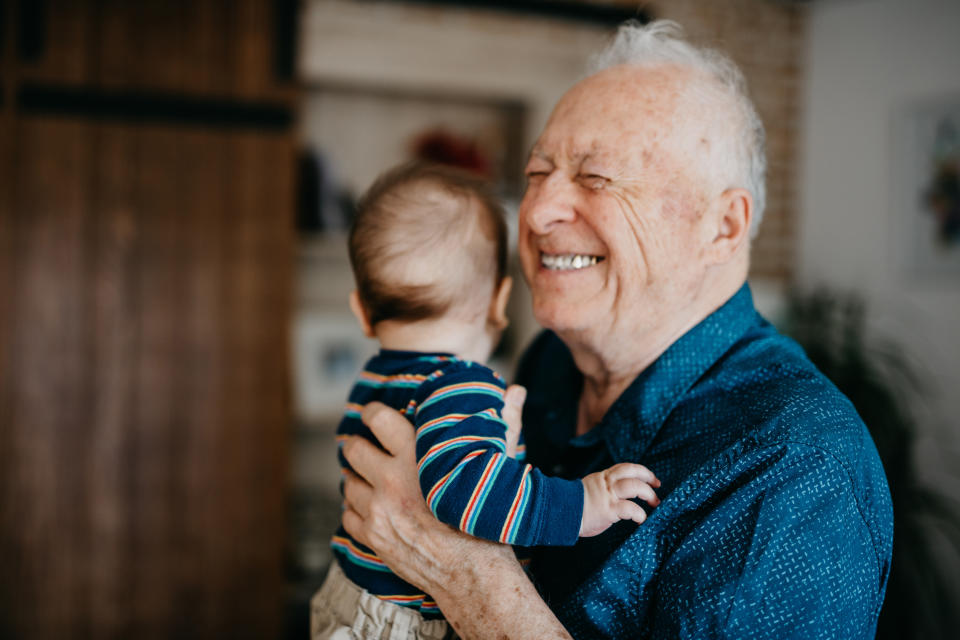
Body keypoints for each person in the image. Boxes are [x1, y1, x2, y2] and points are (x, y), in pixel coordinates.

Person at [338, 20, 894, 640]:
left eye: (595, 178)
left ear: (724, 227)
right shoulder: (550, 362)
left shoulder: (796, 467)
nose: (538, 212)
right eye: (535, 174)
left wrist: (465, 574)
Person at [312, 162, 662, 640]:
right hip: (407, 622)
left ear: (362, 312)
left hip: (349, 597)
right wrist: (581, 504)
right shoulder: (461, 383)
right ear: (500, 302)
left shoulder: (376, 378)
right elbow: (462, 490)